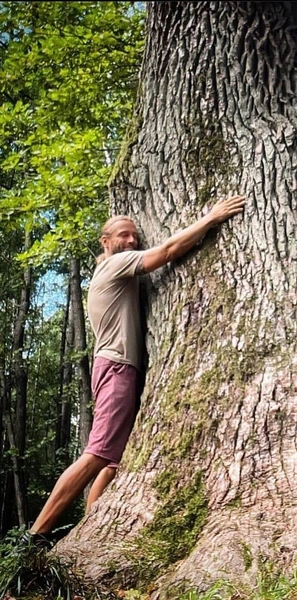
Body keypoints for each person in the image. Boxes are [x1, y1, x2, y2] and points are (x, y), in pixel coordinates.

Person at [27, 193, 245, 544]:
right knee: (97, 453)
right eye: (123, 235)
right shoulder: (115, 265)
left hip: (117, 368)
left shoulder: (113, 270)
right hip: (116, 368)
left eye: (134, 236)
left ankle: (90, 528)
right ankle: (36, 534)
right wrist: (212, 218)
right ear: (106, 241)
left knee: (114, 459)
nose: (131, 240)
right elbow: (169, 251)